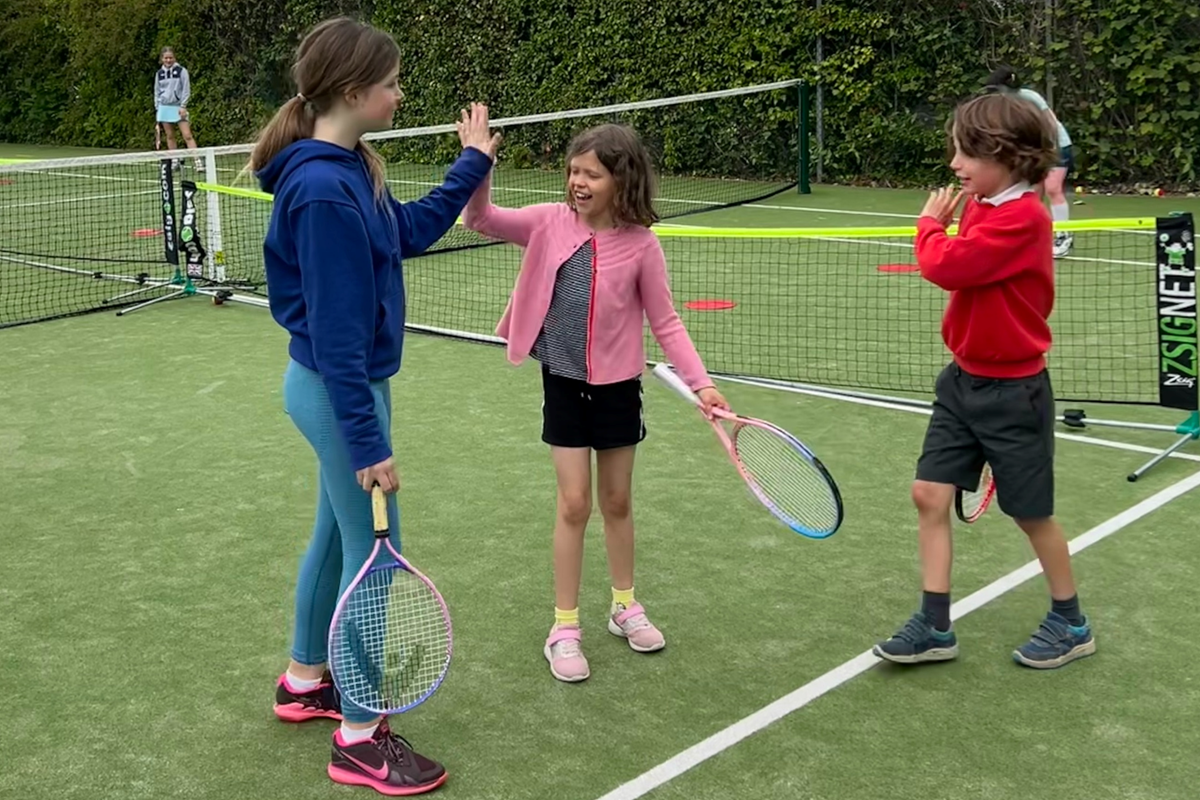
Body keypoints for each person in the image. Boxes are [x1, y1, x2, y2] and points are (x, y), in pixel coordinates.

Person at [249, 16, 499, 795]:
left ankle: (304, 681)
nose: (400, 92)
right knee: (377, 564)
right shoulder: (324, 188)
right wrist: (367, 443)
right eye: (391, 82)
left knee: (334, 539)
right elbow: (336, 332)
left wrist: (469, 165)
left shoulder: (353, 165)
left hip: (341, 388)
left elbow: (410, 233)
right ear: (353, 92)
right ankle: (359, 737)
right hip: (337, 390)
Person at [462, 123, 730, 683]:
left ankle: (624, 606)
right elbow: (480, 219)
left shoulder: (641, 245)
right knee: (574, 503)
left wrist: (702, 384)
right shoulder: (547, 222)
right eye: (573, 171)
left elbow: (667, 322)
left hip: (618, 388)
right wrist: (476, 164)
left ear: (620, 179)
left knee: (616, 501)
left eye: (591, 174)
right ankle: (563, 627)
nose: (577, 182)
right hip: (562, 382)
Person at [873, 91, 1096, 670]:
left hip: (1014, 392)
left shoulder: (1024, 217)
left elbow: (945, 267)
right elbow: (960, 257)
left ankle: (1071, 622)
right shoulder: (983, 201)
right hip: (962, 382)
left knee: (1029, 514)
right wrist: (952, 220)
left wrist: (928, 225)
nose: (954, 164)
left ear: (1007, 156)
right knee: (928, 493)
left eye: (966, 153)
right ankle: (935, 625)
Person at [984, 66, 1075, 258]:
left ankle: (1063, 236)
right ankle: (1035, 235)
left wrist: (1048, 146)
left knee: (1053, 188)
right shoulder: (1004, 105)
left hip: (1057, 145)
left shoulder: (1029, 97)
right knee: (1034, 191)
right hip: (1035, 148)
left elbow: (1050, 122)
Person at [154, 47, 199, 154]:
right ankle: (174, 160)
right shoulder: (159, 74)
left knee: (187, 135)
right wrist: (158, 108)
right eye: (166, 58)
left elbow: (186, 89)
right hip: (164, 108)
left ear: (174, 58)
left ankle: (198, 161)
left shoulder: (182, 71)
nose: (168, 60)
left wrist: (183, 106)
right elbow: (156, 91)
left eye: (170, 58)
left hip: (178, 107)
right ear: (162, 59)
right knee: (170, 136)